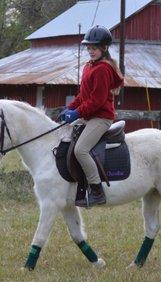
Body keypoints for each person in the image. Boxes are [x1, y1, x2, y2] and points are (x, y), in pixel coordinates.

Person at [59, 25, 124, 207]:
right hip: (89, 115)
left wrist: (77, 113)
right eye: (88, 48)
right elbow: (83, 95)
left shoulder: (102, 69)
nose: (90, 51)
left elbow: (97, 100)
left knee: (81, 150)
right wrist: (68, 108)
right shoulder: (89, 66)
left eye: (93, 48)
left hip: (101, 118)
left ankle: (96, 190)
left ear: (104, 48)